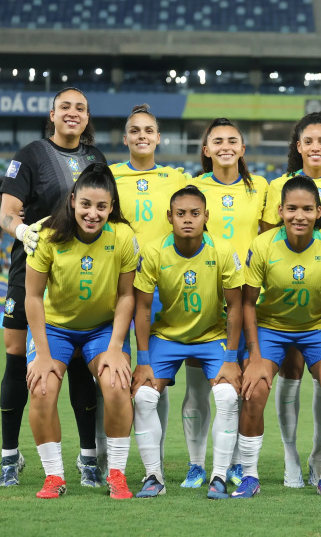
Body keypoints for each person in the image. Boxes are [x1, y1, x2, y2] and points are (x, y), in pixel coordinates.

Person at [0, 87, 108, 487]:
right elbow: (7, 215)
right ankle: (10, 456)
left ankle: (87, 459)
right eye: (66, 107)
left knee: (78, 359)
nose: (73, 113)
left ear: (87, 116)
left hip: (81, 272)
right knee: (16, 358)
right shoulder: (29, 156)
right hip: (30, 267)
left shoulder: (96, 159)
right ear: (53, 114)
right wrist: (23, 230)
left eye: (80, 107)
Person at [232, 176, 321, 499]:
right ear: (281, 211)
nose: (299, 216)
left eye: (307, 209)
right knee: (253, 392)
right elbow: (246, 303)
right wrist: (254, 356)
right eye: (292, 209)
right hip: (271, 327)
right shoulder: (263, 245)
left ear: (318, 211)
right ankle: (249, 475)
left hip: (317, 328)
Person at [24, 164, 138, 499]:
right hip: (55, 329)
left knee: (117, 385)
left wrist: (116, 346)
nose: (92, 213)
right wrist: (43, 354)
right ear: (73, 201)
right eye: (86, 204)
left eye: (101, 206)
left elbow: (127, 296)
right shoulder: (47, 236)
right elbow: (31, 297)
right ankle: (54, 476)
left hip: (101, 329)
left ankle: (116, 473)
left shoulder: (123, 238)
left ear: (111, 207)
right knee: (42, 389)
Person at [261, 112, 321, 488]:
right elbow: (271, 237)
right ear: (298, 146)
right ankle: (290, 456)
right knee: (290, 373)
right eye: (309, 141)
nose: (316, 147)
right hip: (288, 297)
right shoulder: (278, 186)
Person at [131, 186, 244, 499]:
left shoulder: (222, 251)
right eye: (181, 214)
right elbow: (141, 308)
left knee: (226, 396)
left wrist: (232, 357)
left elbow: (235, 306)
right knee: (142, 397)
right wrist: (142, 360)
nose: (188, 220)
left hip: (212, 337)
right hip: (167, 336)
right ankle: (154, 476)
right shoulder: (153, 252)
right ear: (170, 217)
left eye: (195, 213)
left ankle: (219, 477)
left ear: (206, 216)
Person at [179, 118, 268, 489]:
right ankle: (196, 464)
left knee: (241, 386)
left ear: (243, 149)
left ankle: (233, 462)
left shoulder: (260, 187)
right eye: (217, 140)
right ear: (206, 150)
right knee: (198, 388)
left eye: (233, 140)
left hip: (248, 299)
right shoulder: (194, 187)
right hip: (203, 297)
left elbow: (269, 236)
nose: (226, 145)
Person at [111, 102, 189, 476]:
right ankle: (106, 460)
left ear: (158, 138)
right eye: (135, 131)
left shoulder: (175, 178)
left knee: (156, 377)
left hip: (162, 290)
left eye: (148, 131)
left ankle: (152, 463)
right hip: (117, 287)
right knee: (111, 375)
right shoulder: (109, 176)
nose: (142, 136)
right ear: (125, 138)